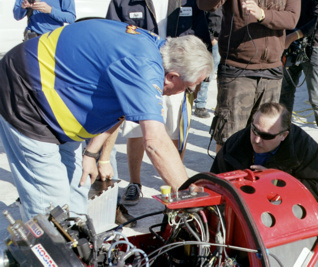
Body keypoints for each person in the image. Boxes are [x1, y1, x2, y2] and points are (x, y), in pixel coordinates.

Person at [0, 19, 213, 220]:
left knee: (78, 186)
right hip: (26, 93)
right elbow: (156, 143)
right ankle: (48, 251)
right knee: (50, 203)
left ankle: (77, 241)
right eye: (189, 88)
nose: (186, 93)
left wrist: (92, 153)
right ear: (172, 77)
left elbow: (118, 108)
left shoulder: (156, 49)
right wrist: (188, 198)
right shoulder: (143, 67)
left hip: (58, 99)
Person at [105, 0, 212, 205]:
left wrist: (198, 80)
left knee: (175, 131)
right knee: (136, 130)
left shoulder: (189, 0)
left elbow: (202, 34)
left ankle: (176, 185)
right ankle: (135, 183)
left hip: (178, 75)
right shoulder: (123, 1)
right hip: (138, 78)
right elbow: (112, 33)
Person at [197, 0, 300, 153]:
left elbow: (292, 19)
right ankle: (224, 175)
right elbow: (204, 4)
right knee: (229, 137)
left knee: (266, 136)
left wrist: (263, 14)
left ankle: (256, 175)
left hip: (271, 71)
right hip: (237, 69)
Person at [210, 103, 318, 204]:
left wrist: (276, 181)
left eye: (266, 136)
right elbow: (213, 184)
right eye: (254, 130)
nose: (257, 140)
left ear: (283, 135)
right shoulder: (236, 144)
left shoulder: (303, 147)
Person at [279, 0, 318, 162]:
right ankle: (282, 135)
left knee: (316, 97)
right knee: (285, 93)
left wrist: (292, 36)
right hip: (291, 42)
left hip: (314, 46)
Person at [193, 8, 222, 118]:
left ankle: (220, 106)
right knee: (208, 73)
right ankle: (200, 104)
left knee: (223, 76)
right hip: (214, 41)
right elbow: (202, 19)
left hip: (226, 40)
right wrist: (212, 39)